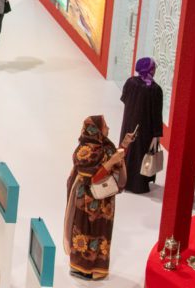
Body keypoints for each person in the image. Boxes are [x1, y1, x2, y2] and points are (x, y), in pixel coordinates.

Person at [65, 116, 134, 281]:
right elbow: (92, 177)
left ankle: (96, 268)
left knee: (100, 233)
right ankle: (81, 268)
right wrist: (111, 162)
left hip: (103, 202)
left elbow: (114, 161)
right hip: (87, 201)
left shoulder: (105, 147)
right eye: (105, 126)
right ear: (96, 130)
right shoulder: (84, 150)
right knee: (83, 231)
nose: (108, 129)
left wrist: (124, 145)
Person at [119, 57, 164, 194]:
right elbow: (156, 113)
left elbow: (124, 99)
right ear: (150, 69)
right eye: (154, 68)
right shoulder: (155, 89)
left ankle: (123, 180)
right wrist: (157, 133)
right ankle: (138, 184)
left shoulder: (130, 82)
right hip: (145, 128)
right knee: (141, 154)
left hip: (129, 123)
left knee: (127, 150)